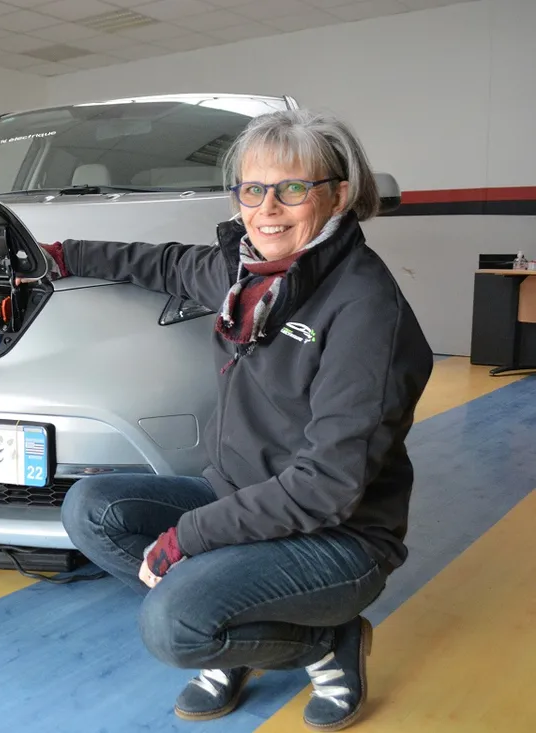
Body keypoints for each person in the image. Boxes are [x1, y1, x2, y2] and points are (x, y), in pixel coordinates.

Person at [48, 110, 434, 731]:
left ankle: (325, 643)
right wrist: (58, 256)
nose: (268, 208)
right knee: (89, 508)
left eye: (293, 188)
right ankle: (241, 625)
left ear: (338, 194)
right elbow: (163, 263)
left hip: (339, 536)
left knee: (173, 626)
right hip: (242, 495)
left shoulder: (365, 308)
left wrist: (189, 537)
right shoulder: (245, 273)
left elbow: (328, 486)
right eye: (253, 189)